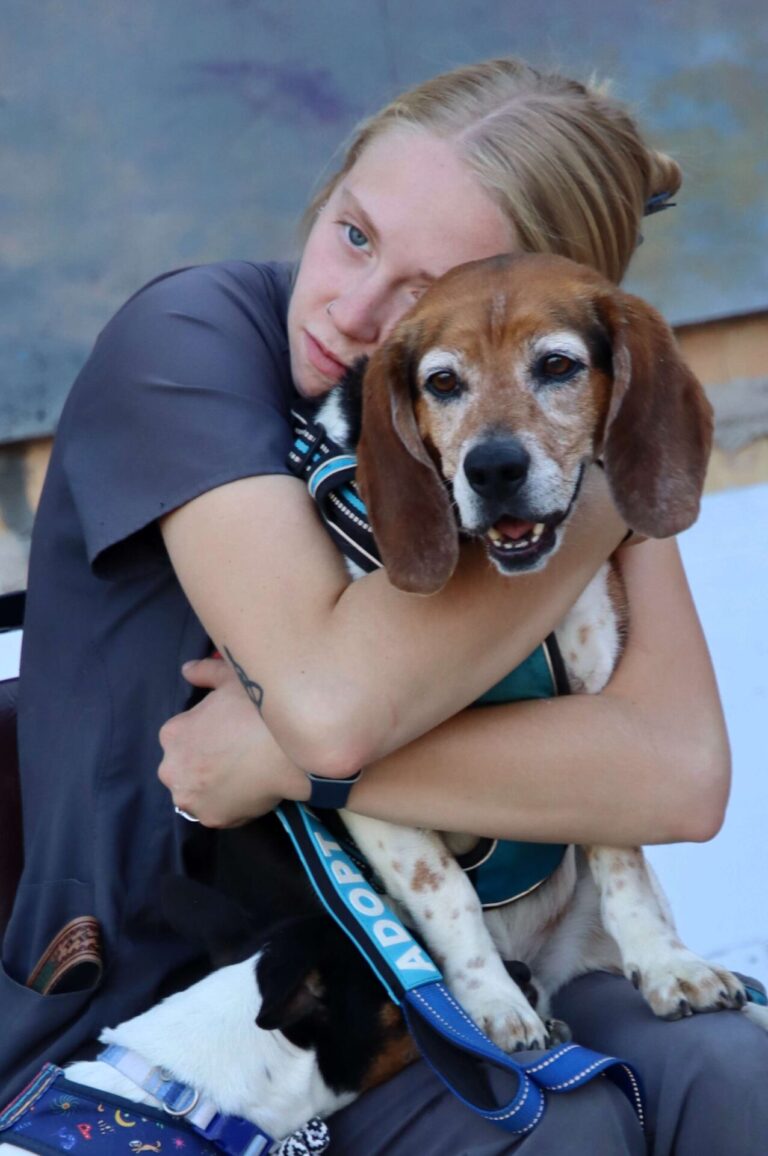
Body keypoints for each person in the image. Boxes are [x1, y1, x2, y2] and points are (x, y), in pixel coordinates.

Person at [1, 56, 765, 1155]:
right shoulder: (187, 345)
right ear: (325, 193)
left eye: (428, 285)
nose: (357, 308)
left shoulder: (572, 430)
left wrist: (271, 755)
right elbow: (334, 708)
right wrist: (304, 736)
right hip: (201, 1011)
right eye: (354, 233)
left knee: (738, 1073)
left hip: (509, 960)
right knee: (564, 1128)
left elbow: (681, 777)